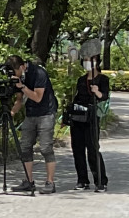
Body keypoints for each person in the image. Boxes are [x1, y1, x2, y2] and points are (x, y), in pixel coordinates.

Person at [11, 52, 59, 194]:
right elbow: (19, 99)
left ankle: (50, 182)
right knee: (25, 147)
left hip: (46, 112)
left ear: (21, 66)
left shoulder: (38, 72)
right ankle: (28, 181)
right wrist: (11, 112)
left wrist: (22, 86)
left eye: (15, 72)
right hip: (30, 113)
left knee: (45, 148)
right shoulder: (19, 77)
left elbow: (38, 97)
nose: (15, 75)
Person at [68, 58, 112, 192]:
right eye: (85, 61)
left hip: (92, 117)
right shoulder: (81, 80)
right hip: (78, 117)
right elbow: (77, 97)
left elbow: (104, 96)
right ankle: (82, 180)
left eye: (90, 61)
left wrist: (97, 91)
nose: (87, 64)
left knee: (93, 149)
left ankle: (100, 181)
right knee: (78, 149)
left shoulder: (103, 79)